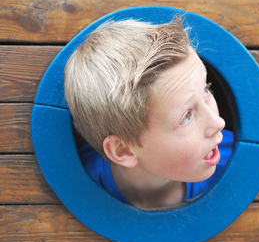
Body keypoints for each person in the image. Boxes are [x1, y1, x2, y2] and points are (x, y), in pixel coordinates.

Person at [64, 16, 234, 210]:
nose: (219, 122)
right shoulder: (81, 183)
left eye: (205, 90)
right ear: (124, 150)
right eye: (186, 116)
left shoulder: (233, 157)